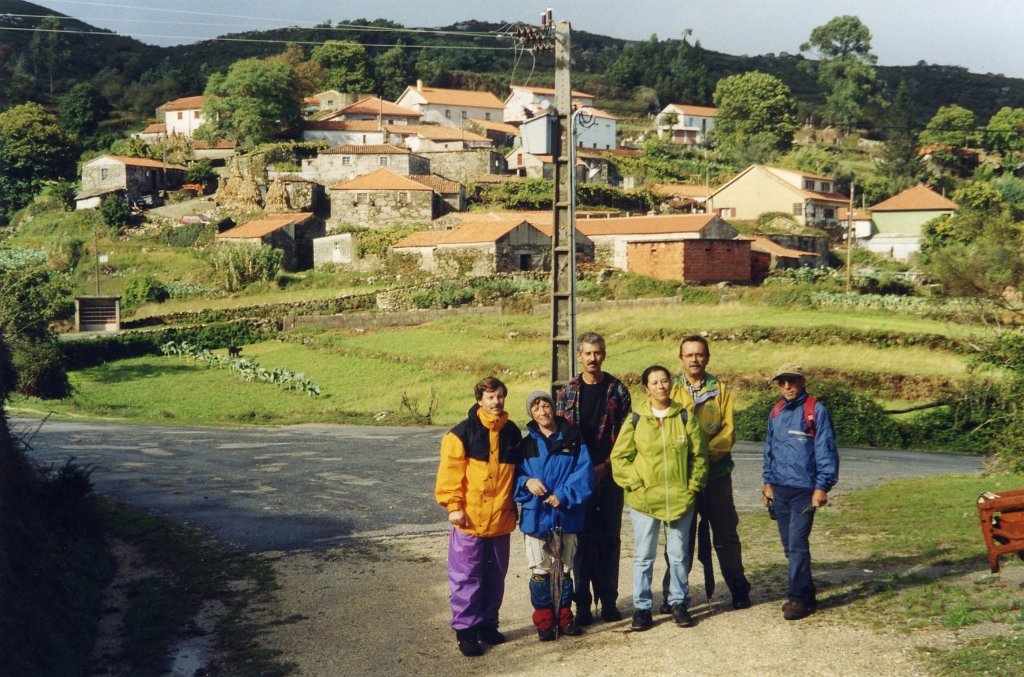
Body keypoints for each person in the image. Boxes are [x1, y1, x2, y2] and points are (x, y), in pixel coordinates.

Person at [610, 365, 708, 631]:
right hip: (644, 502)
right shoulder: (635, 419)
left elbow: (699, 456)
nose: (660, 386)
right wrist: (636, 484)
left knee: (678, 555)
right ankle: (642, 608)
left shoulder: (685, 417)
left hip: (679, 500)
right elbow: (619, 458)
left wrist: (692, 486)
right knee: (644, 555)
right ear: (646, 387)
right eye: (654, 382)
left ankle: (678, 602)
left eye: (664, 381)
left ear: (671, 385)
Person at [660, 335, 752, 612]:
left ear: (707, 358)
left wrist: (703, 455)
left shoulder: (721, 389)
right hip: (683, 478)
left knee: (726, 536)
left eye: (699, 354)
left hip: (716, 475)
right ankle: (673, 596)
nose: (694, 359)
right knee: (680, 539)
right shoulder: (671, 389)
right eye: (689, 355)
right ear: (681, 359)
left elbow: (728, 432)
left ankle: (738, 589)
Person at [435, 376, 522, 657]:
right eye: (490, 397)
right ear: (479, 401)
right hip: (468, 521)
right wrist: (453, 506)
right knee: (466, 577)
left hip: (500, 520)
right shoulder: (460, 434)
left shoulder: (512, 433)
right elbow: (450, 475)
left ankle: (487, 625)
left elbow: (518, 475)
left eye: (500, 396)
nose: (496, 402)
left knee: (495, 576)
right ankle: (466, 631)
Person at [556, 332, 632, 625]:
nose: (592, 358)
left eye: (597, 353)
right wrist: (579, 475)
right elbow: (562, 439)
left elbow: (626, 436)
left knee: (609, 540)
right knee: (580, 543)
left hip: (610, 475)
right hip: (578, 479)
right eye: (587, 353)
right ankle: (583, 605)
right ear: (579, 357)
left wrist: (606, 466)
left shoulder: (618, 391)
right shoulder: (566, 392)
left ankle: (609, 602)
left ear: (604, 355)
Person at [762, 363, 839, 621]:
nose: (786, 386)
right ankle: (807, 593)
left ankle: (797, 600)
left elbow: (826, 450)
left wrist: (822, 487)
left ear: (802, 381)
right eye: (782, 382)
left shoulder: (815, 411)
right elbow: (769, 449)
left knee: (796, 544)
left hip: (805, 491)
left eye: (791, 381)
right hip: (780, 489)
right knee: (788, 546)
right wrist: (767, 484)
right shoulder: (776, 411)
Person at [515, 391, 595, 640]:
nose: (542, 411)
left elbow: (584, 473)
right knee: (540, 571)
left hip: (565, 514)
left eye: (545, 405)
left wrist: (564, 494)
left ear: (554, 408)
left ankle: (564, 618)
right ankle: (544, 623)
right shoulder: (525, 445)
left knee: (564, 570)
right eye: (536, 408)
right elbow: (512, 478)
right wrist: (527, 482)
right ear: (531, 414)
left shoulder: (573, 439)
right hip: (537, 517)